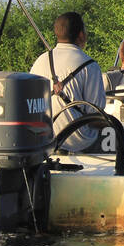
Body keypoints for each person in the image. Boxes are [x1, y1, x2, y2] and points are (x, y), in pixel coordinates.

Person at [30, 12, 107, 153]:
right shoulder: (89, 65)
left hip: (43, 142)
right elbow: (95, 114)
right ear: (81, 35)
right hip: (79, 142)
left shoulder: (39, 61)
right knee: (120, 139)